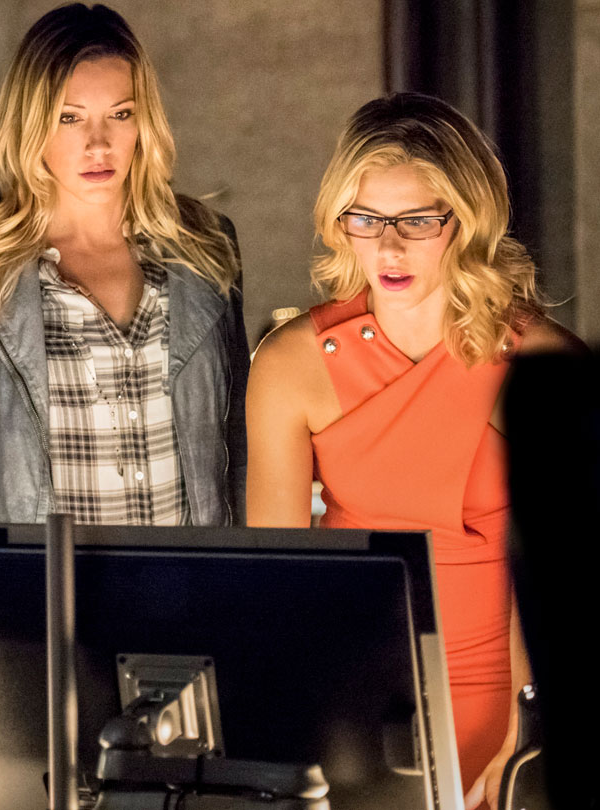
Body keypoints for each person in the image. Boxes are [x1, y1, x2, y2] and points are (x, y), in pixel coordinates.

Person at [245, 92, 585, 810]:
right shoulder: (288, 364)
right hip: (353, 710)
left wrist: (526, 733)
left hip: (515, 709)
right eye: (365, 219)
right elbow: (275, 590)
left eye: (417, 221)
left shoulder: (543, 361)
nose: (388, 248)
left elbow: (564, 585)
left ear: (466, 219)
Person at [0, 3, 248, 528]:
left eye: (120, 114)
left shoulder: (204, 247)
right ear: (31, 125)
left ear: (144, 122)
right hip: (46, 578)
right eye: (69, 117)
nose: (98, 144)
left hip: (189, 574)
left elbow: (239, 446)